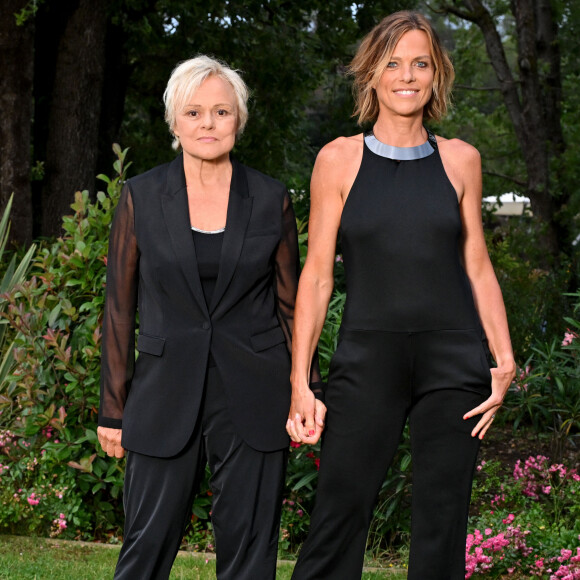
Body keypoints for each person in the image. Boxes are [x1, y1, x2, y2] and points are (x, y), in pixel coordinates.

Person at [286, 11, 516, 580]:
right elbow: (316, 276)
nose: (406, 75)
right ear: (372, 75)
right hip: (368, 357)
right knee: (340, 507)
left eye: (420, 63)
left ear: (436, 77)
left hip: (453, 360)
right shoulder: (337, 160)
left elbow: (478, 265)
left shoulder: (462, 160)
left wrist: (504, 359)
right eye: (392, 63)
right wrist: (300, 380)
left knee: (442, 520)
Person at [97, 55, 321, 580]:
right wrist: (112, 408)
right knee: (145, 548)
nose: (208, 124)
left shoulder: (270, 199)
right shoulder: (141, 197)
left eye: (221, 112)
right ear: (175, 122)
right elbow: (118, 308)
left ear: (238, 120)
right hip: (162, 389)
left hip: (254, 388)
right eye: (194, 112)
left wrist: (305, 388)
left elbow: (292, 305)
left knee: (250, 551)